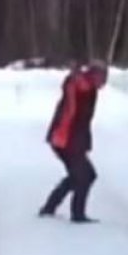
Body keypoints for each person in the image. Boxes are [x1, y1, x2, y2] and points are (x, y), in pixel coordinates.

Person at [39, 61, 108, 223]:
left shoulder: (88, 88)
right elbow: (71, 112)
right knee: (85, 175)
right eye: (102, 77)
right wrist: (75, 76)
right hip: (66, 139)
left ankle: (50, 207)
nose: (104, 81)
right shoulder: (82, 88)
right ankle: (77, 214)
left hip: (71, 139)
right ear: (93, 75)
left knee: (80, 175)